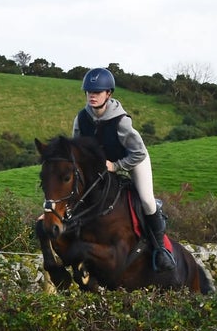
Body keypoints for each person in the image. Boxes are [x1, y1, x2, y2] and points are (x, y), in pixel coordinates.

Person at [73, 67, 176, 272]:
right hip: (104, 165)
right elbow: (77, 150)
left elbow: (138, 153)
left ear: (108, 94)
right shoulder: (81, 118)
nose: (92, 96)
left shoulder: (121, 121)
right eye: (89, 92)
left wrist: (117, 166)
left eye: (97, 92)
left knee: (146, 200)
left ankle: (160, 250)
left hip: (133, 159)